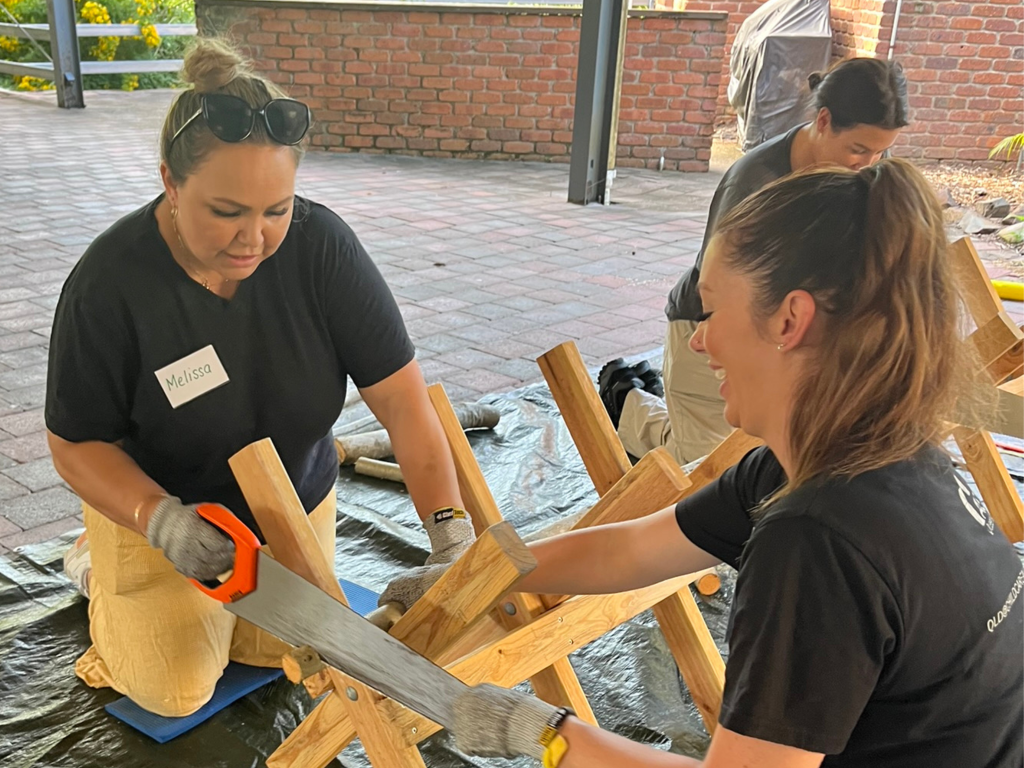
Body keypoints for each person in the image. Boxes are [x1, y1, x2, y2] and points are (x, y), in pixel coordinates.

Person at [442, 160, 1024, 766]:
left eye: (712, 311)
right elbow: (635, 548)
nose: (698, 339)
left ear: (789, 320)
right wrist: (480, 575)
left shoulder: (816, 539)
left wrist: (550, 736)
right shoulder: (869, 454)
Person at [45, 39, 475, 718]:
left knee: (274, 655)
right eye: (226, 212)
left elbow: (403, 404)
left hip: (289, 505)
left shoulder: (323, 249)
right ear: (170, 182)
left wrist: (450, 532)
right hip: (166, 513)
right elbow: (73, 444)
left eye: (276, 210)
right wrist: (159, 522)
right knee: (175, 690)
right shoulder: (109, 284)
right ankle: (97, 568)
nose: (254, 238)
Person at [602, 57, 910, 466]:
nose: (868, 164)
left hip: (782, 331)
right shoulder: (755, 183)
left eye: (879, 152)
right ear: (822, 120)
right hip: (711, 321)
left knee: (756, 451)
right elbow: (720, 289)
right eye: (858, 149)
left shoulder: (858, 178)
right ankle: (625, 399)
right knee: (702, 466)